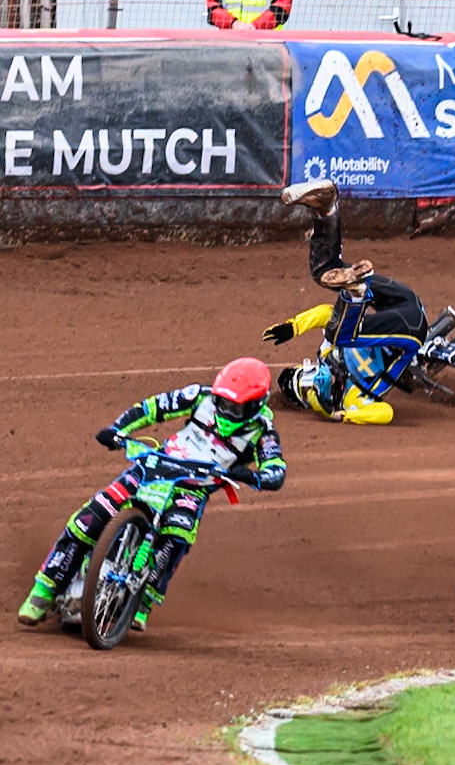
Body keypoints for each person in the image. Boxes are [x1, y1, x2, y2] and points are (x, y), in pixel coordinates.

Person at [17, 358, 287, 631]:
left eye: (234, 407)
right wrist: (118, 429)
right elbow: (153, 407)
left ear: (255, 405)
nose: (225, 409)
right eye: (222, 401)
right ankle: (44, 590)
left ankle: (143, 602)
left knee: (177, 535)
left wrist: (253, 476)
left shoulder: (263, 434)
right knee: (92, 516)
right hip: (154, 466)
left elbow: (276, 471)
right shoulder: (200, 396)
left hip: (193, 488)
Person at [266, 179, 429, 425]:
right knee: (340, 334)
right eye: (306, 389)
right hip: (410, 331)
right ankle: (355, 291)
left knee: (325, 271)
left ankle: (326, 210)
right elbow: (385, 413)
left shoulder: (326, 353)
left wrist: (293, 326)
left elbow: (326, 313)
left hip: (400, 302)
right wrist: (343, 415)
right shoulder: (352, 398)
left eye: (304, 378)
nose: (311, 382)